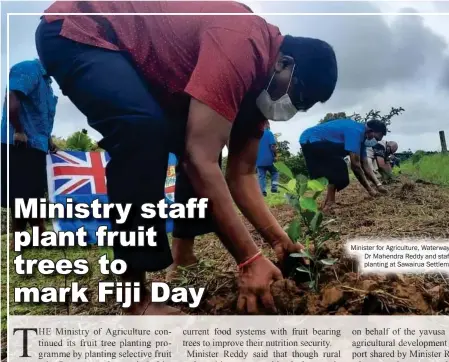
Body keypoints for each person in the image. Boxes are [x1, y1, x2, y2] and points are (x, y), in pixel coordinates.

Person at [36, 1, 338, 315]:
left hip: (136, 60)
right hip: (83, 27)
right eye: (298, 96)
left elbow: (242, 174)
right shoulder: (242, 41)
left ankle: (183, 259)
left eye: (302, 107)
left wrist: (280, 243)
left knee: (196, 144)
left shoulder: (259, 97)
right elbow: (199, 159)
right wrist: (249, 260)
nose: (293, 107)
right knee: (143, 131)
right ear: (283, 63)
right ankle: (136, 301)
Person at [1, 59, 58, 250]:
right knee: (20, 192)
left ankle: (37, 234)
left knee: (34, 191)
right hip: (18, 141)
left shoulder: (48, 84)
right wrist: (18, 130)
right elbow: (12, 96)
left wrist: (49, 140)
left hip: (37, 144)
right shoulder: (28, 69)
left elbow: (43, 117)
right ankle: (21, 237)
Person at [300, 119, 388, 210]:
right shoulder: (356, 131)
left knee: (337, 167)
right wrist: (370, 190)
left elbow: (365, 165)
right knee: (338, 167)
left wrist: (378, 185)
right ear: (370, 131)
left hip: (316, 141)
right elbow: (356, 166)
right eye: (376, 138)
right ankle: (330, 203)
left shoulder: (362, 141)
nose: (375, 141)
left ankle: (329, 202)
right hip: (311, 139)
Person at [256, 122, 279, 196]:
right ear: (267, 125)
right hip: (269, 159)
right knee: (275, 173)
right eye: (269, 124)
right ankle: (274, 188)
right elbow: (272, 146)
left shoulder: (256, 134)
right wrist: (275, 155)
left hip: (258, 160)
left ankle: (262, 192)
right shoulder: (268, 133)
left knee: (261, 176)